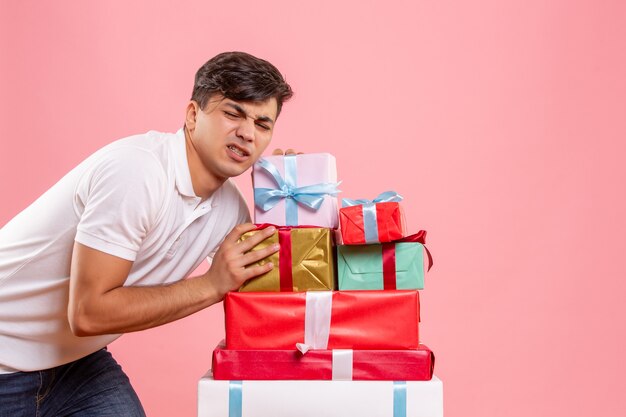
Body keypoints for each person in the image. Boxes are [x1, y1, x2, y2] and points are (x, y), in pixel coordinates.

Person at [0, 51, 293, 416]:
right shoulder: (137, 172)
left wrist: (285, 202)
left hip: (75, 362)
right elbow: (88, 313)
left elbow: (269, 295)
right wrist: (211, 284)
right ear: (192, 115)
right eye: (233, 113)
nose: (247, 133)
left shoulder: (230, 209)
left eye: (262, 124)